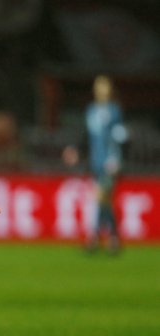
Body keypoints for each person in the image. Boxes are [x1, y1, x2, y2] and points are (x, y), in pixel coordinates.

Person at [64, 75, 127, 253]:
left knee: (100, 197)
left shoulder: (115, 111)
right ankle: (113, 237)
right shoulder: (91, 110)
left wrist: (116, 160)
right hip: (95, 162)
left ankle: (94, 237)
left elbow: (119, 137)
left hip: (110, 162)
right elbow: (86, 135)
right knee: (104, 201)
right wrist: (76, 150)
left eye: (104, 87)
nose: (102, 91)